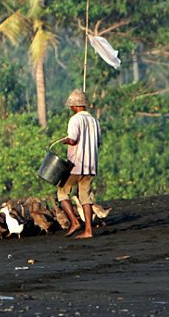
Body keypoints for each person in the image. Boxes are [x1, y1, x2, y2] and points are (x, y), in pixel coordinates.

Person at [57, 88, 101, 239]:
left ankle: (75, 222)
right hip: (91, 165)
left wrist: (65, 140)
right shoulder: (95, 121)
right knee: (85, 197)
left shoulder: (75, 120)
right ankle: (88, 230)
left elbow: (73, 139)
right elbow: (98, 143)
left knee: (62, 192)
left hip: (76, 164)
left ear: (75, 106)